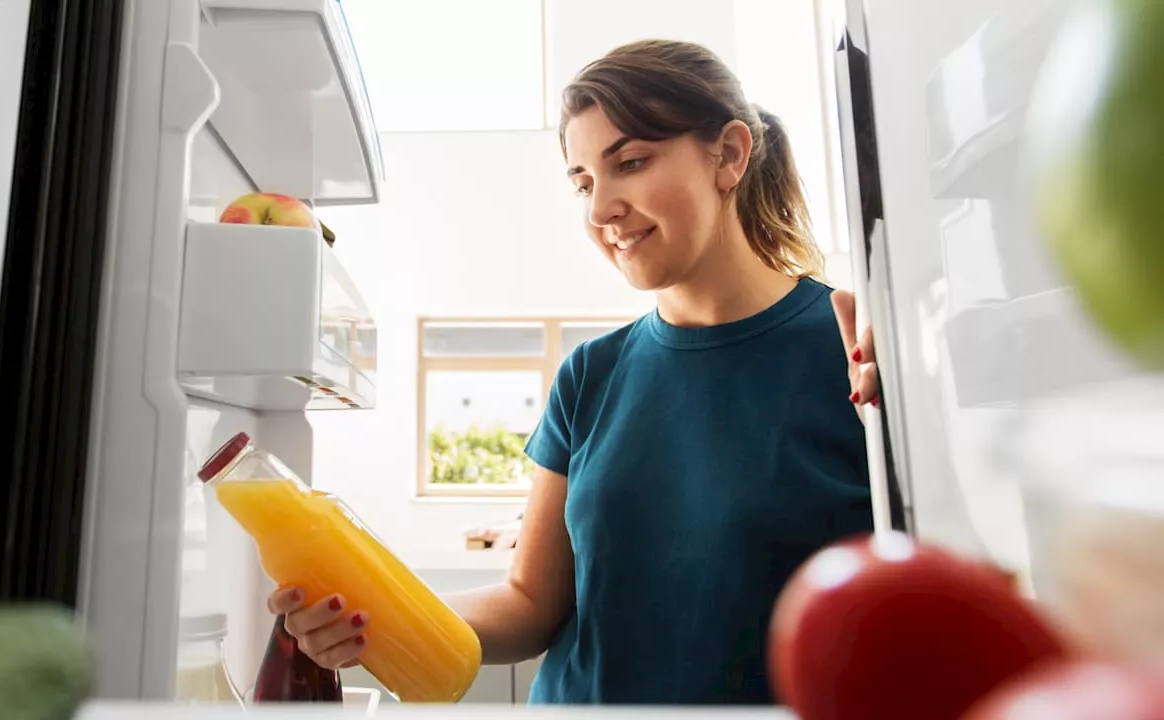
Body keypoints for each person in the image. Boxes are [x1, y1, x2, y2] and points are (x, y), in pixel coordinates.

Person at [268, 39, 882, 705]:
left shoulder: (855, 351)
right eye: (585, 183)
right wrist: (372, 617)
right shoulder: (591, 373)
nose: (600, 212)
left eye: (633, 163)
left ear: (730, 155)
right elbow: (530, 604)